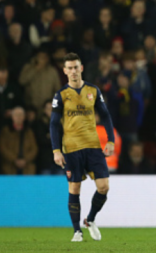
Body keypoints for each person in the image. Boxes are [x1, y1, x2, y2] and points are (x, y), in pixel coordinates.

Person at [49, 53, 116, 242]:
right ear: (64, 71)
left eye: (76, 67)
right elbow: (54, 124)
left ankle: (91, 219)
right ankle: (77, 230)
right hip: (71, 148)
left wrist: (110, 140)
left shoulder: (93, 91)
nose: (73, 71)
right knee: (74, 188)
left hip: (93, 146)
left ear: (81, 68)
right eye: (69, 68)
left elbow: (106, 115)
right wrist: (56, 150)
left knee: (104, 187)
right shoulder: (61, 95)